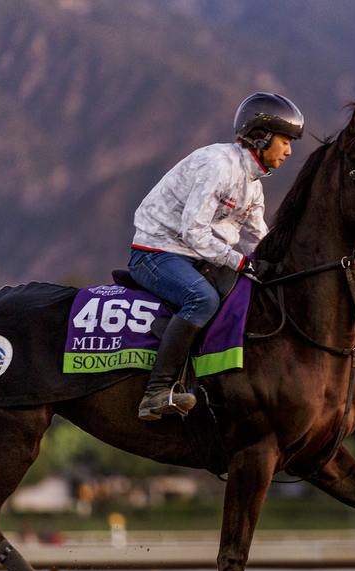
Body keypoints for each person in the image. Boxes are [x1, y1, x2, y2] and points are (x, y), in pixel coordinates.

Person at [128, 92, 304, 420]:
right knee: (202, 299)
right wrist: (241, 262)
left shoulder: (253, 186)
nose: (290, 150)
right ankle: (156, 392)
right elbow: (193, 232)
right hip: (156, 253)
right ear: (262, 137)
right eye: (285, 140)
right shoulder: (217, 166)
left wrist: (283, 269)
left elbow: (257, 240)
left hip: (194, 257)